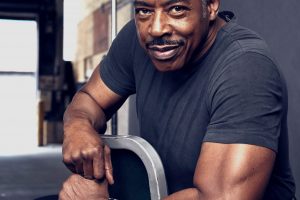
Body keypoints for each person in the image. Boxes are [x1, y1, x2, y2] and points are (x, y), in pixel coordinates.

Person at [59, 0, 296, 199]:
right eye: (144, 10)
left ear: (211, 5)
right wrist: (78, 126)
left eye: (176, 9)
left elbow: (217, 198)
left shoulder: (246, 67)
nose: (156, 28)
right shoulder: (137, 40)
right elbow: (91, 98)